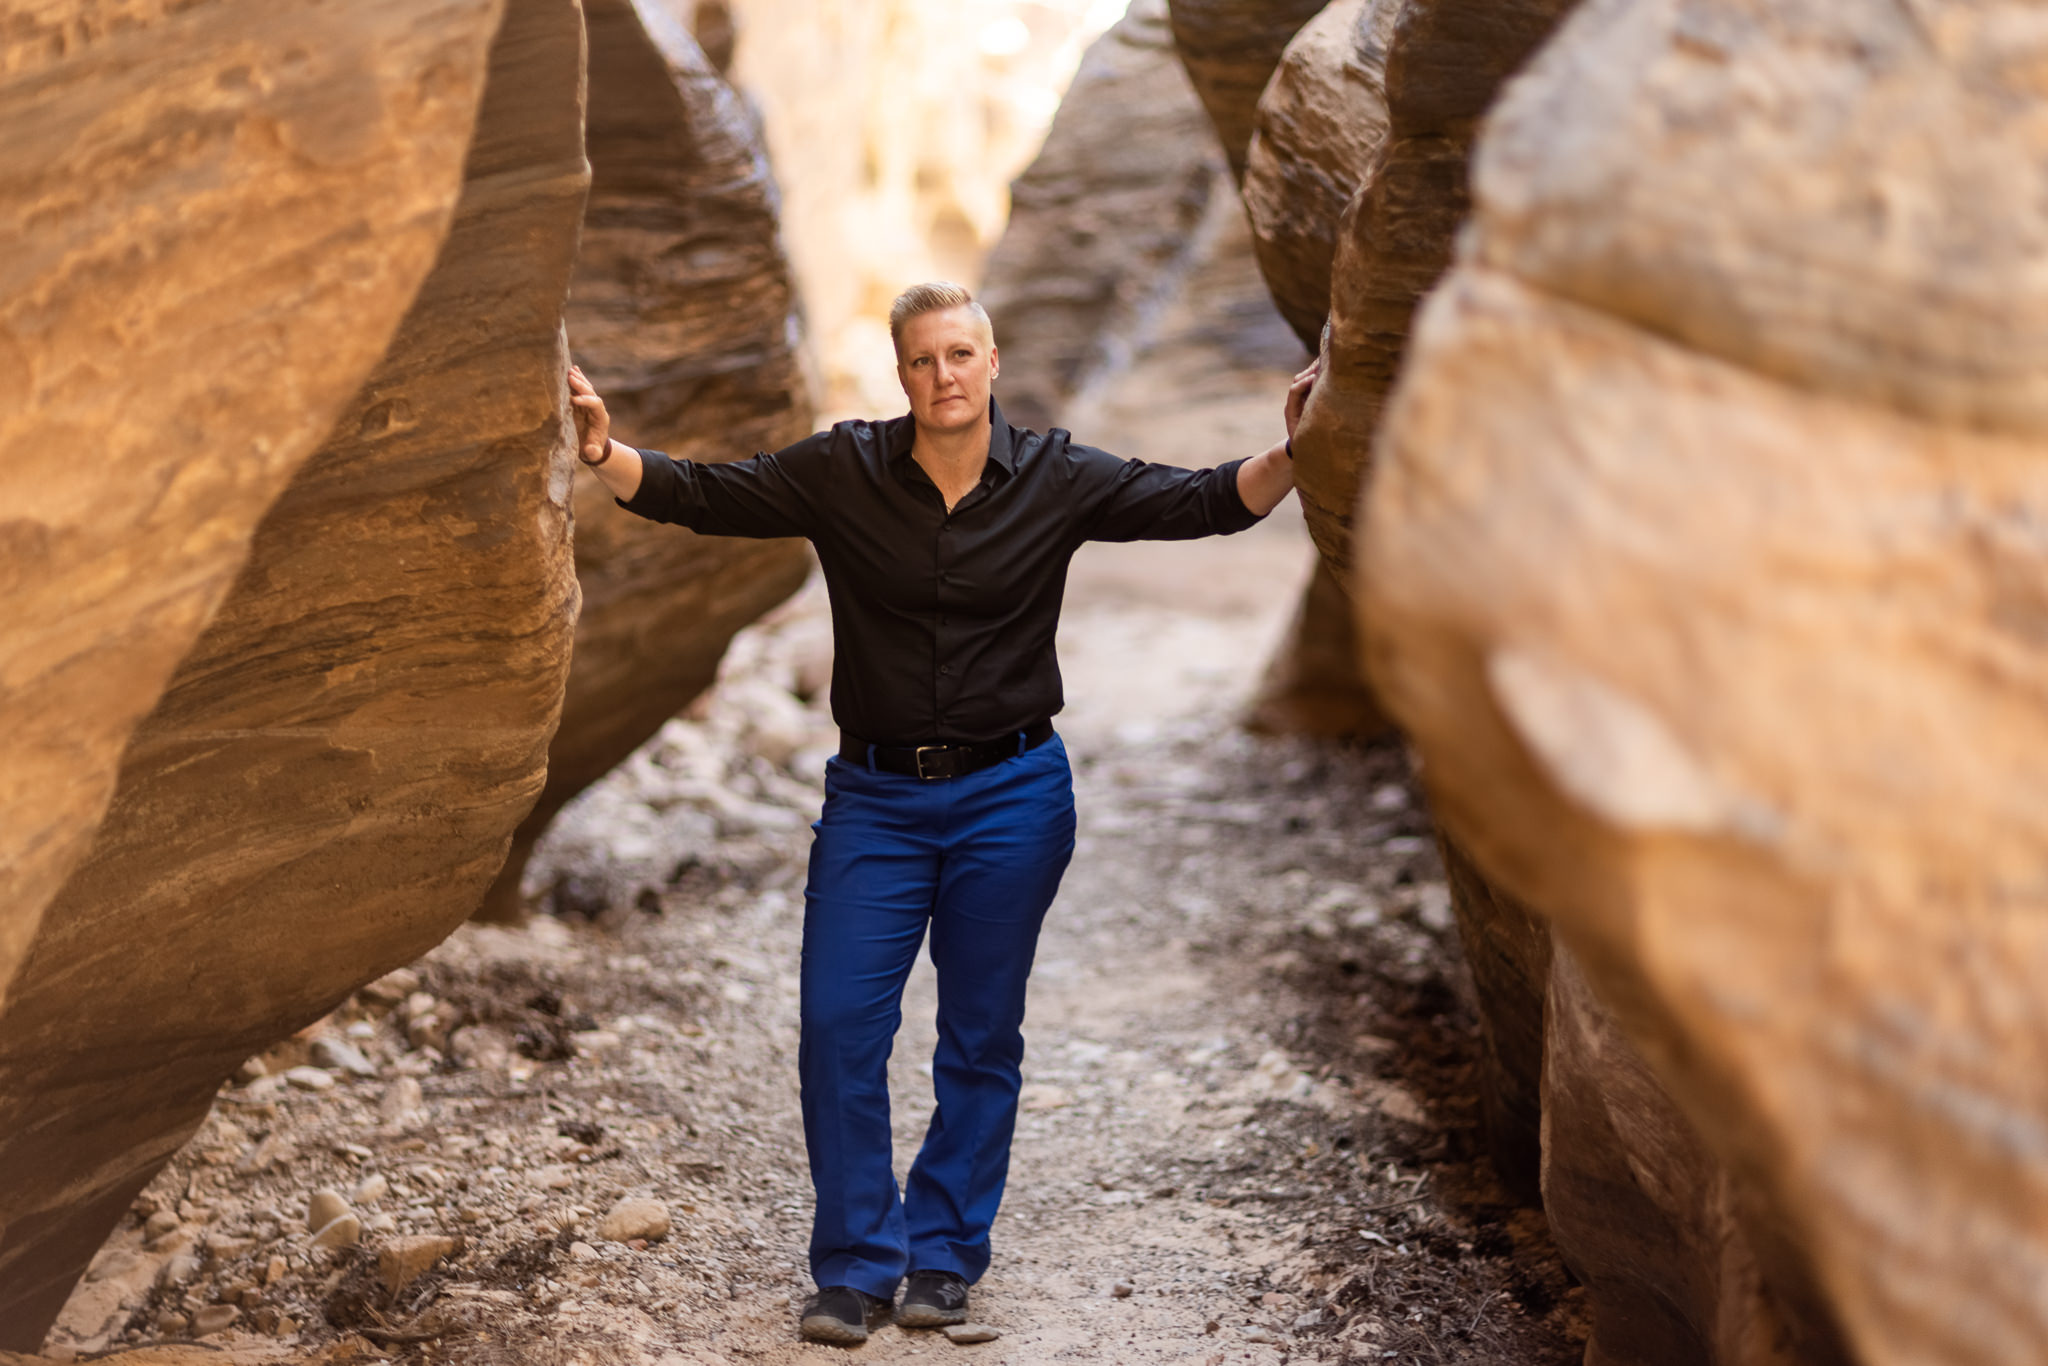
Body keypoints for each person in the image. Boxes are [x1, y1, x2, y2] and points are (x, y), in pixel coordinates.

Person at [568, 281, 1313, 1343]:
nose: (943, 376)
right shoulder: (843, 470)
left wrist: (1289, 452)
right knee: (836, 1024)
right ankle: (857, 1263)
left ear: (992, 361)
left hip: (1010, 795)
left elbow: (1197, 500)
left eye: (960, 355)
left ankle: (943, 1257)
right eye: (922, 360)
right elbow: (707, 493)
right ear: (902, 373)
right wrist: (604, 453)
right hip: (872, 798)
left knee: (976, 1033)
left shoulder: (1054, 475)